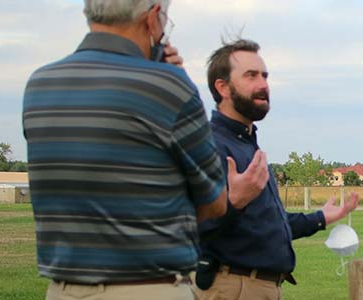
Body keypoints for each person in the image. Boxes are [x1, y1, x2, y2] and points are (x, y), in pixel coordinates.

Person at [21, 0, 237, 299]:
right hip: (149, 286)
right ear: (152, 18)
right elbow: (215, 201)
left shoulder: (38, 84)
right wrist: (173, 78)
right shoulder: (169, 85)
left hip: (62, 288)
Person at [194, 38, 359, 300]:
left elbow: (267, 225)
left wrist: (321, 218)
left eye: (264, 76)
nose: (263, 84)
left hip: (261, 287)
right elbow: (187, 228)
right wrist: (233, 203)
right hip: (233, 288)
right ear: (222, 87)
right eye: (251, 76)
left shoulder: (248, 147)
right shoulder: (209, 146)